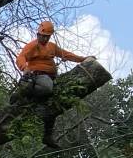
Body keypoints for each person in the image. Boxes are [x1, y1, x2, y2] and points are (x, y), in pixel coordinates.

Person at [15, 20, 91, 148]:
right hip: (38, 76)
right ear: (38, 34)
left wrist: (83, 59)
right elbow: (20, 58)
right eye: (42, 36)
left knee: (54, 105)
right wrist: (24, 68)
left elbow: (66, 54)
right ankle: (24, 94)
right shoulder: (32, 46)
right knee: (46, 88)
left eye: (47, 36)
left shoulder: (52, 47)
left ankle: (47, 135)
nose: (44, 38)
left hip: (51, 77)